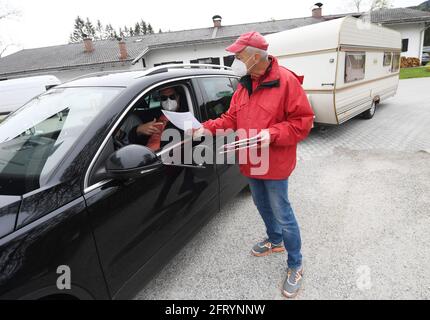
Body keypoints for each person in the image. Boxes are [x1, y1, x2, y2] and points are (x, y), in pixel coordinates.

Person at [193, 31, 314, 298]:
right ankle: (274, 240)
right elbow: (230, 119)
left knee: (282, 211)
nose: (234, 58)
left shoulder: (286, 82)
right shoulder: (244, 85)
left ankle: (295, 264)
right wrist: (204, 128)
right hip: (251, 161)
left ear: (255, 55)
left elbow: (303, 122)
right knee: (260, 204)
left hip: (276, 162)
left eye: (238, 54)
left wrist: (272, 134)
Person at [127, 87, 182, 151]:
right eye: (164, 98)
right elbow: (134, 141)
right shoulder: (152, 115)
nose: (168, 101)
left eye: (172, 97)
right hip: (146, 154)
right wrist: (138, 130)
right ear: (160, 100)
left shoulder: (187, 116)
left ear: (178, 97)